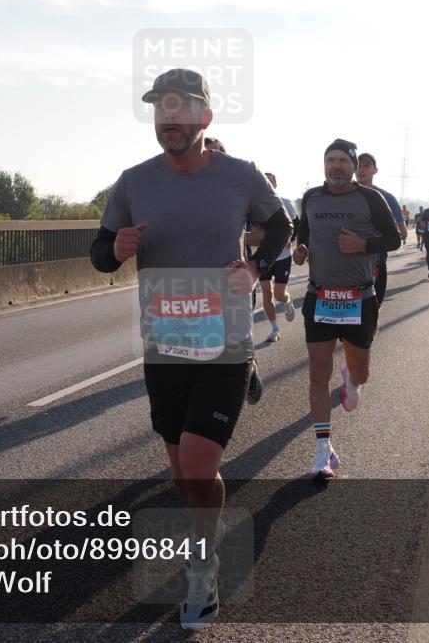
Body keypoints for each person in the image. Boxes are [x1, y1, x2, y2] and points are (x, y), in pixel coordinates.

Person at [91, 69, 291, 629]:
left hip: (225, 342)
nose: (168, 120)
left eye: (180, 111)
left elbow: (281, 227)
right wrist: (117, 248)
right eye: (160, 110)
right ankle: (205, 527)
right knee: (181, 470)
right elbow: (100, 251)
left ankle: (202, 571)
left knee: (201, 464)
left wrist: (254, 266)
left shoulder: (241, 176)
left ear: (205, 118)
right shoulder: (133, 182)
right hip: (166, 345)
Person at [293, 139, 400, 479]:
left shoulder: (371, 199)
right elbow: (303, 235)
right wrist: (301, 251)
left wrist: (364, 245)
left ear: (353, 166)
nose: (335, 165)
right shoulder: (311, 197)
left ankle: (352, 383)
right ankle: (323, 452)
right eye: (330, 159)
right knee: (317, 371)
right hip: (320, 296)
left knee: (362, 373)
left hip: (359, 298)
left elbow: (396, 238)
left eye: (342, 160)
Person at [205, 136, 265, 406]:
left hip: (235, 281)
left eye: (216, 153)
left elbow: (266, 233)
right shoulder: (182, 194)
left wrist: (237, 239)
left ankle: (247, 370)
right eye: (206, 152)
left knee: (236, 340)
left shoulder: (240, 193)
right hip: (197, 284)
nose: (209, 157)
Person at [247, 173, 299, 343]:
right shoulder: (252, 206)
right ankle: (275, 329)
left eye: (270, 180)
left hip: (283, 255)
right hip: (265, 256)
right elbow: (252, 231)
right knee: (267, 294)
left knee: (278, 294)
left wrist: (289, 240)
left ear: (275, 184)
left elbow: (296, 226)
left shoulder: (286, 202)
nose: (267, 183)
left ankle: (287, 299)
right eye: (265, 180)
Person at [355, 152, 406, 306]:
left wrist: (372, 241)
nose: (361, 170)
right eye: (358, 166)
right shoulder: (341, 195)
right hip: (346, 265)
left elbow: (402, 233)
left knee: (372, 311)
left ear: (375, 170)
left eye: (366, 166)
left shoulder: (386, 198)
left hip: (375, 265)